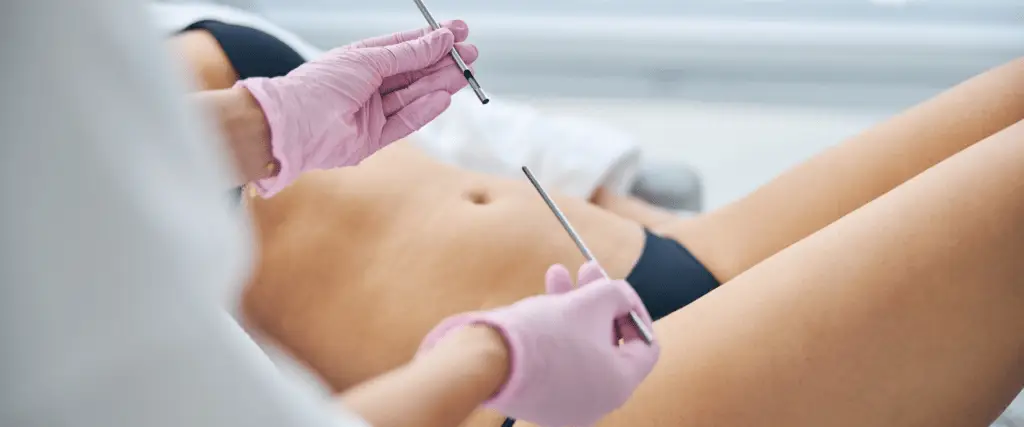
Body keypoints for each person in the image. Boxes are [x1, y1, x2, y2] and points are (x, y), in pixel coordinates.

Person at [167, 10, 1024, 427]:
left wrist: (259, 124)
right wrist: (491, 358)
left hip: (653, 267)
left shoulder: (78, 69)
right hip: (561, 402)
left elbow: (462, 120)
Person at [0, 2, 661, 427]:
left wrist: (263, 122)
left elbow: (46, 159)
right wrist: (493, 359)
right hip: (506, 396)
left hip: (606, 297)